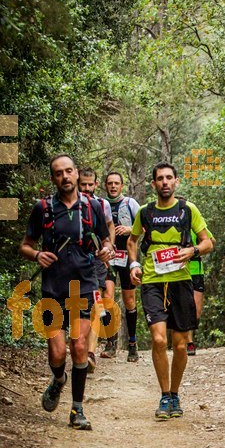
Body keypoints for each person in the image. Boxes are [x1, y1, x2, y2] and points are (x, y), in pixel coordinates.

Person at [20, 154, 113, 430]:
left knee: (80, 345)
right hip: (53, 287)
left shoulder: (93, 207)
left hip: (83, 285)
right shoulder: (43, 208)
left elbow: (105, 239)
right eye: (59, 173)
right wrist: (37, 255)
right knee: (57, 353)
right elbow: (25, 244)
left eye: (69, 171)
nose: (65, 177)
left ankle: (77, 410)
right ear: (53, 179)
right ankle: (59, 380)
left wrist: (106, 249)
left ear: (76, 173)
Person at [127, 162, 213, 420]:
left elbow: (209, 241)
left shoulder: (188, 209)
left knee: (180, 345)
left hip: (181, 281)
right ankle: (165, 395)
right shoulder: (145, 212)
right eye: (160, 179)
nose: (164, 182)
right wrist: (133, 264)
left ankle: (175, 394)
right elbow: (132, 241)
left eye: (169, 178)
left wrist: (192, 250)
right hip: (152, 281)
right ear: (153, 184)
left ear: (176, 182)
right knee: (158, 339)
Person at [77, 168, 115, 372]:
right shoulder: (66, 205)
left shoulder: (102, 204)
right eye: (83, 184)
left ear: (96, 184)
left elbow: (109, 226)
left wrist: (109, 248)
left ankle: (90, 353)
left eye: (90, 184)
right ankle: (79, 347)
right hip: (73, 262)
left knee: (95, 303)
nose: (87, 188)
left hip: (97, 260)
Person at [102, 171, 140, 362]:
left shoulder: (130, 204)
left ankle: (132, 344)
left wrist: (130, 229)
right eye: (110, 183)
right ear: (105, 185)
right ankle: (111, 343)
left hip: (127, 258)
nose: (113, 186)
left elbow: (145, 227)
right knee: (107, 298)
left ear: (122, 185)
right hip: (108, 258)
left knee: (130, 301)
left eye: (117, 183)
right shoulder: (101, 205)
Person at [187, 226, 216, 356]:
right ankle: (189, 342)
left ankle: (188, 337)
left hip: (196, 270)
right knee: (184, 307)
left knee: (196, 311)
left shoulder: (194, 224)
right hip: (177, 270)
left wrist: (197, 249)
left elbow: (211, 241)